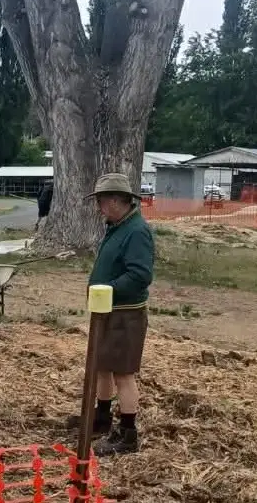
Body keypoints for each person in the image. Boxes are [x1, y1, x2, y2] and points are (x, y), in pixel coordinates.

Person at [83, 173, 155, 456]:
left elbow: (140, 275)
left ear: (115, 200)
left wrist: (106, 288)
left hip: (126, 314)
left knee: (123, 374)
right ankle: (101, 418)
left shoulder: (137, 231)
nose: (99, 207)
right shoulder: (117, 226)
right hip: (108, 311)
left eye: (101, 201)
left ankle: (128, 433)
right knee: (102, 366)